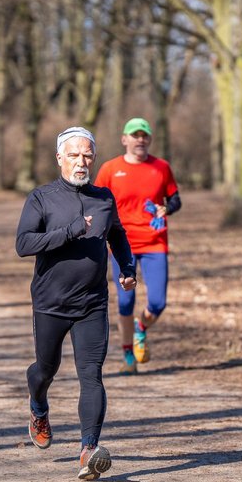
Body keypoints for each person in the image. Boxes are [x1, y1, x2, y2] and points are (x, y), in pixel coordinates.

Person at [15, 126, 137, 481]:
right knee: (45, 370)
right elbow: (23, 244)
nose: (80, 162)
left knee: (91, 375)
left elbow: (118, 237)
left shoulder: (103, 198)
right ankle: (38, 406)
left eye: (86, 155)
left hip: (92, 303)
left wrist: (126, 268)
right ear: (59, 158)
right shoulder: (41, 198)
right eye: (73, 155)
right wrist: (68, 232)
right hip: (50, 302)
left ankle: (88, 450)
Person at [94, 118, 182, 374]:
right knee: (125, 302)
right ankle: (128, 357)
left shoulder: (161, 167)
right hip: (122, 245)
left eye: (144, 135)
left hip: (155, 243)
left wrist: (167, 208)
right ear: (125, 139)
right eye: (135, 135)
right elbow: (97, 201)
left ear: (149, 139)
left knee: (157, 302)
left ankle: (141, 328)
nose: (140, 139)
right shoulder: (110, 169)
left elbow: (175, 199)